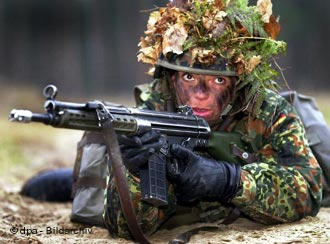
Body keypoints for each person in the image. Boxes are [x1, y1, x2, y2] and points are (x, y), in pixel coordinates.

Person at [22, 0, 323, 240]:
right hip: (176, 204)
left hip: (247, 189)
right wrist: (137, 171)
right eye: (190, 77)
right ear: (171, 78)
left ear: (239, 83)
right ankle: (74, 180)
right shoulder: (157, 106)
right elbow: (123, 227)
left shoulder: (266, 108)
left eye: (218, 80)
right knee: (71, 186)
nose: (201, 94)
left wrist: (226, 180)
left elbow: (309, 190)